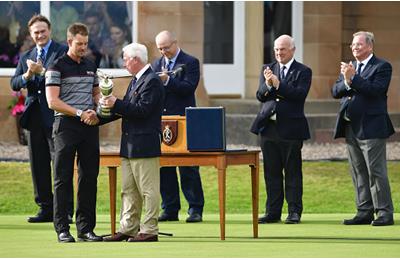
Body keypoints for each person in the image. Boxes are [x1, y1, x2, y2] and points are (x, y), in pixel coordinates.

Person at [10, 15, 73, 223]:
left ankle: (64, 210)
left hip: (56, 115)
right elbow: (14, 83)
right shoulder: (26, 55)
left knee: (60, 164)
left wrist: (43, 71)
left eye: (43, 31)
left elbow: (66, 78)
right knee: (38, 165)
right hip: (34, 117)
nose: (40, 35)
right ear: (31, 34)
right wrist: (28, 75)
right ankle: (45, 209)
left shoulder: (62, 51)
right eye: (36, 32)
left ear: (49, 30)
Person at [102, 42, 165, 242]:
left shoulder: (152, 81)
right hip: (129, 144)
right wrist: (104, 112)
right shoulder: (137, 80)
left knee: (148, 190)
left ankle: (149, 229)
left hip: (145, 144)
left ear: (136, 59)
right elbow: (128, 108)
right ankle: (128, 228)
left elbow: (142, 110)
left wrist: (116, 103)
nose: (124, 62)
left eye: (126, 58)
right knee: (128, 190)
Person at [45, 23, 102, 242]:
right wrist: (80, 112)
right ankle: (62, 229)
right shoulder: (56, 66)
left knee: (89, 177)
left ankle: (86, 229)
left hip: (89, 125)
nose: (83, 48)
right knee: (62, 178)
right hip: (66, 126)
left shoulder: (90, 64)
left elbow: (96, 94)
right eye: (79, 44)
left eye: (86, 44)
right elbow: (52, 101)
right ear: (69, 42)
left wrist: (99, 108)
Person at [332, 31, 395, 226]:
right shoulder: (350, 68)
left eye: (358, 44)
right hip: (351, 126)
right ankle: (364, 211)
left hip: (372, 127)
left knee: (376, 171)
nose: (354, 47)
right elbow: (335, 91)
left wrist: (353, 79)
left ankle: (384, 212)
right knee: (358, 170)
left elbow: (375, 90)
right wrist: (347, 79)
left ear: (369, 46)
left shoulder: (382, 67)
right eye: (352, 45)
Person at [250, 34, 312, 224]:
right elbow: (260, 96)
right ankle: (273, 212)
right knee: (271, 172)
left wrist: (279, 85)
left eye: (282, 49)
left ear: (292, 50)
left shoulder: (303, 71)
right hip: (269, 128)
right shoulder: (267, 69)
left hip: (291, 129)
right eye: (276, 49)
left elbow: (299, 95)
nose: (278, 53)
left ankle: (294, 211)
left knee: (292, 171)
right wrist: (269, 85)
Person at [152, 30, 205, 223]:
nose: (164, 52)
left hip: (183, 118)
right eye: (160, 49)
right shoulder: (156, 64)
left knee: (188, 166)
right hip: (163, 120)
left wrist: (168, 80)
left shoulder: (190, 62)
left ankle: (195, 208)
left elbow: (188, 88)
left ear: (175, 43)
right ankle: (170, 208)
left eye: (166, 47)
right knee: (164, 166)